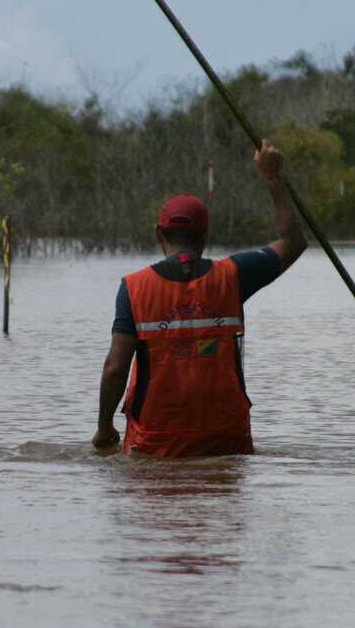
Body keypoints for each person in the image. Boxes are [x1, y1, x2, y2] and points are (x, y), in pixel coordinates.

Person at [93, 140, 305, 457]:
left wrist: (104, 425)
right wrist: (273, 179)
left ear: (157, 234)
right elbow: (293, 241)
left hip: (155, 441)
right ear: (205, 236)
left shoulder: (133, 288)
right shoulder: (234, 276)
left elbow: (114, 369)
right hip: (226, 438)